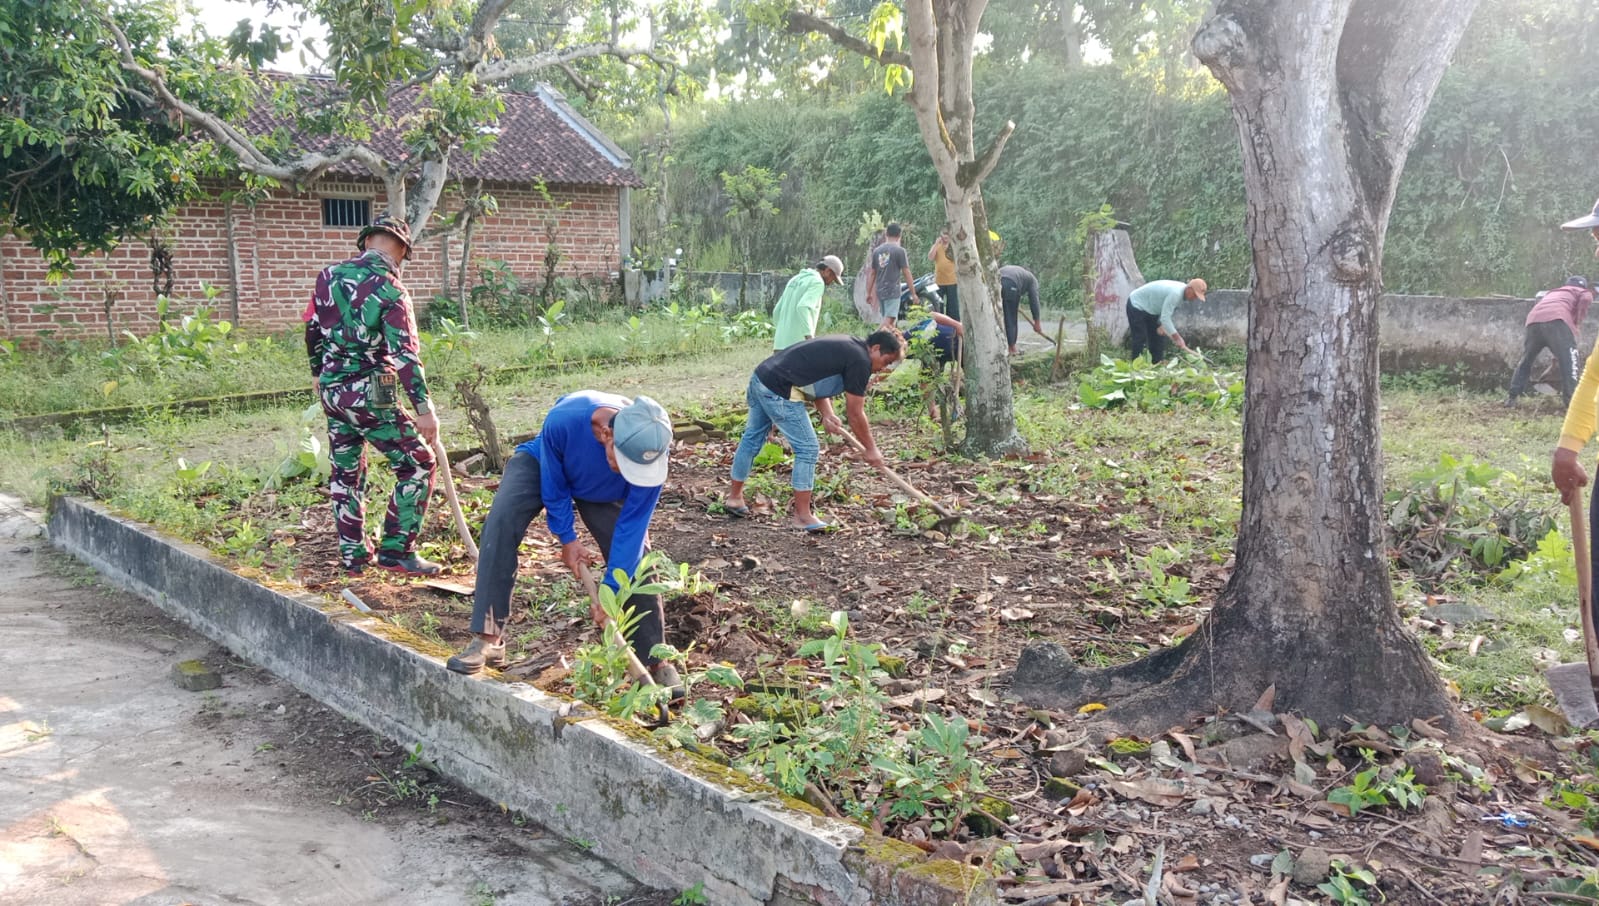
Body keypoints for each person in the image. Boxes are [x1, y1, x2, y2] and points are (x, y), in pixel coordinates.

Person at [446, 393, 676, 680]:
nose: (632, 473)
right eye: (625, 462)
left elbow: (632, 527)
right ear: (607, 434)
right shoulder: (566, 419)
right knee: (501, 520)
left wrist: (610, 594)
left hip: (603, 490)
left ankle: (655, 660)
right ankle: (488, 638)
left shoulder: (651, 453)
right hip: (544, 463)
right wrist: (568, 539)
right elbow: (554, 486)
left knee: (638, 557)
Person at [303, 213, 440, 577]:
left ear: (367, 242)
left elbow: (312, 329)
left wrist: (318, 372)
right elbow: (406, 355)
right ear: (399, 249)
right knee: (418, 465)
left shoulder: (327, 277)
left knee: (345, 473)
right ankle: (397, 551)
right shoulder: (392, 289)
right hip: (371, 392)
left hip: (333, 391)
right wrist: (424, 410)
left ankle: (353, 557)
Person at [724, 331, 904, 533]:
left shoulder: (848, 344)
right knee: (808, 449)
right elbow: (855, 413)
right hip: (779, 389)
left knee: (752, 438)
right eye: (886, 361)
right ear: (876, 348)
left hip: (762, 377)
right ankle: (802, 516)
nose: (883, 368)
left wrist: (827, 413)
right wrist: (871, 449)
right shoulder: (861, 360)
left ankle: (734, 498)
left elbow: (815, 377)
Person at [1507, 276, 1593, 407]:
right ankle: (1572, 403)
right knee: (1570, 362)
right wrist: (1577, 323)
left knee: (1526, 360)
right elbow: (1587, 299)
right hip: (1557, 320)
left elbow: (1542, 306)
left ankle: (1512, 398)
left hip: (1533, 321)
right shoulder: (1582, 292)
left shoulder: (1554, 292)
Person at [772, 255, 845, 351]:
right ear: (827, 271)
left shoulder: (795, 279)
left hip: (779, 344)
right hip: (797, 347)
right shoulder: (817, 282)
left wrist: (783, 334)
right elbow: (803, 307)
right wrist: (810, 339)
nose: (831, 282)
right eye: (833, 278)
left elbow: (776, 311)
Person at [1126, 277, 1206, 363]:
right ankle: (1135, 365)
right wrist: (1177, 338)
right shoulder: (1176, 294)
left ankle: (1157, 363)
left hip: (1152, 309)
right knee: (1140, 337)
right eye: (1195, 295)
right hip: (1137, 304)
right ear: (1189, 289)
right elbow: (1166, 317)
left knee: (1158, 337)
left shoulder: (1182, 294)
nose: (1194, 298)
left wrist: (1161, 323)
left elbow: (1166, 310)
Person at [906, 311, 964, 420]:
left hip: (956, 342)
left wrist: (957, 325)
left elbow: (932, 315)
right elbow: (889, 369)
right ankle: (933, 413)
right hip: (937, 354)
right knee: (927, 378)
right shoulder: (902, 349)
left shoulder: (916, 333)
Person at [867, 223, 917, 330]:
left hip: (880, 291)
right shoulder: (899, 251)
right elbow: (906, 272)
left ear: (886, 234)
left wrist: (869, 292)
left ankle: (887, 346)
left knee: (889, 323)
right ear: (899, 235)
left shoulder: (877, 251)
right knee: (889, 321)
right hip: (893, 291)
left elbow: (872, 273)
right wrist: (913, 293)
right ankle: (871, 340)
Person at [999, 264, 1044, 356]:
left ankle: (1001, 346)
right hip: (1010, 283)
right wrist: (1037, 322)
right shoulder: (1032, 280)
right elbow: (1034, 300)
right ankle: (1011, 348)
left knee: (999, 316)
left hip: (997, 279)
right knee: (1011, 317)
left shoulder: (1020, 273)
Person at [928, 230, 959, 322]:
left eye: (947, 235)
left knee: (953, 308)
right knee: (938, 306)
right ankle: (940, 325)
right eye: (943, 234)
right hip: (939, 281)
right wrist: (936, 244)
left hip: (952, 281)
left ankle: (954, 327)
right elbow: (930, 257)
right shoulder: (937, 246)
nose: (945, 237)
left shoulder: (953, 246)